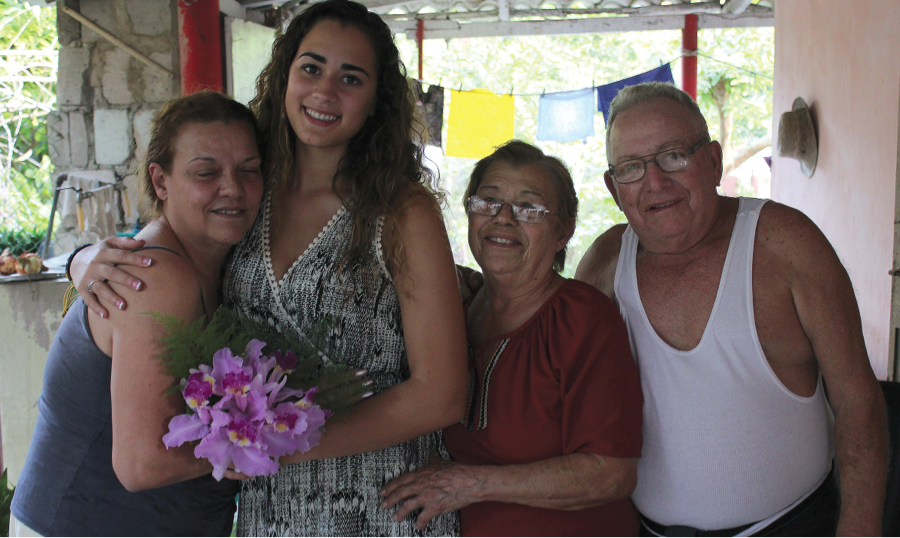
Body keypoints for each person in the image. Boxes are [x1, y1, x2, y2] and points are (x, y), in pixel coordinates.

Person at [68, 1, 468, 536]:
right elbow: (170, 248)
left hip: (383, 505)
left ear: (376, 101)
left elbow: (441, 392)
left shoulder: (401, 210)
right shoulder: (247, 192)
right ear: (284, 77)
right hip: (268, 510)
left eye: (351, 78)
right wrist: (84, 259)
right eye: (311, 67)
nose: (325, 91)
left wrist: (282, 442)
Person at [574, 82, 888, 537]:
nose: (655, 181)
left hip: (792, 526)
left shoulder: (785, 244)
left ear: (714, 161)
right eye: (631, 167)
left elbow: (857, 401)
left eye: (674, 155)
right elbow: (559, 369)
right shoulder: (605, 263)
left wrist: (860, 526)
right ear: (613, 186)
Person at [10, 91, 264, 537]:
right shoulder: (155, 273)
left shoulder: (224, 260)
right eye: (206, 173)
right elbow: (141, 464)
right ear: (160, 181)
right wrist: (270, 446)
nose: (233, 188)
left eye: (249, 170)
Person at [380, 141, 643, 537]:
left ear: (563, 231)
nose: (503, 218)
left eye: (529, 208)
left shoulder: (583, 319)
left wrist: (468, 484)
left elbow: (611, 474)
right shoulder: (452, 312)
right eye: (488, 202)